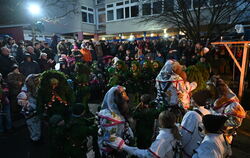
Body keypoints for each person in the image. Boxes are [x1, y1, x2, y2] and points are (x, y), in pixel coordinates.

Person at [108, 111, 181, 158]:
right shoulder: (173, 132)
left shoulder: (163, 138)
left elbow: (149, 155)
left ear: (161, 121)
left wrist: (126, 147)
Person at [97, 86, 134, 157]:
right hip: (113, 151)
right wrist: (126, 147)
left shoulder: (117, 111)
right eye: (123, 94)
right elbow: (110, 138)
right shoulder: (110, 117)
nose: (127, 98)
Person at [212, 77, 246, 144]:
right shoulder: (219, 99)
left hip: (223, 135)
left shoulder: (232, 104)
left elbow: (237, 122)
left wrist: (221, 124)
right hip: (215, 133)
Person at [180, 90, 212, 158]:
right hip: (201, 151)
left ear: (195, 100)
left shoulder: (191, 114)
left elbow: (184, 135)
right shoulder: (208, 113)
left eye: (192, 98)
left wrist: (178, 147)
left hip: (188, 152)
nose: (190, 100)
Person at [17, 74, 41, 142]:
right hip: (30, 112)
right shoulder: (25, 91)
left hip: (35, 111)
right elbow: (20, 101)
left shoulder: (37, 89)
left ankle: (36, 138)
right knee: (32, 125)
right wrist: (29, 106)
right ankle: (35, 139)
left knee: (36, 125)